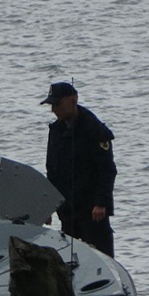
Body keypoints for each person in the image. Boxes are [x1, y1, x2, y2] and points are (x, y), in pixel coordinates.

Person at [42, 82, 117, 256]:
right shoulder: (56, 130)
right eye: (52, 105)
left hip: (92, 210)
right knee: (71, 258)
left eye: (58, 104)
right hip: (67, 209)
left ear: (73, 100)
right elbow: (52, 171)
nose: (54, 109)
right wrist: (47, 205)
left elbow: (107, 170)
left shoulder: (94, 129)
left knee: (101, 256)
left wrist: (101, 203)